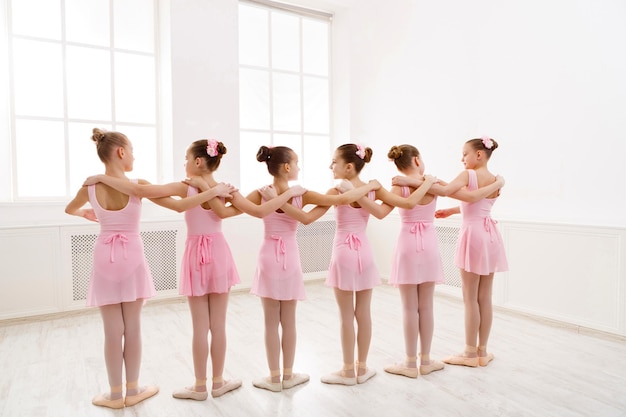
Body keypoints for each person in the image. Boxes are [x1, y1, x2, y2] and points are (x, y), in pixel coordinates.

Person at [84, 138, 306, 401]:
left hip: (194, 256)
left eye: (187, 159)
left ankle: (200, 386)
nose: (185, 164)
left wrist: (101, 177)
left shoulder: (185, 187)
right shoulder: (226, 190)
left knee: (200, 326)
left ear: (198, 161)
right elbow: (257, 211)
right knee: (219, 325)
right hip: (219, 254)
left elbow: (141, 190)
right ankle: (219, 381)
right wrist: (288, 195)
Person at [65, 129, 227, 409]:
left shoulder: (89, 187)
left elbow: (69, 209)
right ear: (121, 152)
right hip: (132, 257)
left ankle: (115, 395)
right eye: (132, 151)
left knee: (112, 330)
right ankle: (134, 388)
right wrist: (212, 191)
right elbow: (181, 206)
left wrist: (84, 212)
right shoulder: (138, 184)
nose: (134, 157)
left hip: (104, 254)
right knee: (134, 328)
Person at [244, 145, 380, 393]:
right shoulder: (302, 193)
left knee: (270, 322)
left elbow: (240, 207)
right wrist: (370, 187)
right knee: (294, 320)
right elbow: (335, 204)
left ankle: (276, 377)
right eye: (296, 163)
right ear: (287, 167)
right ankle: (349, 369)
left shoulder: (262, 193)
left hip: (269, 255)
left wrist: (216, 192)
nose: (299, 166)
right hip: (305, 257)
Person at [379, 144, 504, 378]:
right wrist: (498, 183)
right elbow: (467, 198)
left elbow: (457, 194)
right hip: (437, 243)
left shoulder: (401, 185)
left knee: (410, 306)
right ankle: (430, 359)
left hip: (409, 242)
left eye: (464, 154)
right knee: (433, 304)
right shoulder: (437, 184)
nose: (461, 158)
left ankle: (410, 362)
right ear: (417, 160)